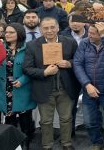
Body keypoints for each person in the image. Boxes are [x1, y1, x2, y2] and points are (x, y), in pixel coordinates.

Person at [23, 17, 80, 150]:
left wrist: (69, 63)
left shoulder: (70, 42)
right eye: (46, 28)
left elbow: (77, 61)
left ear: (58, 28)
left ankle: (66, 143)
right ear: (41, 29)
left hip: (65, 88)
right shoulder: (32, 45)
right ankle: (47, 145)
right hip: (44, 88)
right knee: (46, 120)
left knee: (66, 118)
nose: (49, 30)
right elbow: (27, 68)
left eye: (52, 27)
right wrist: (44, 72)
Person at [73, 22, 104, 150]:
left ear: (102, 34)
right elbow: (77, 64)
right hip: (89, 90)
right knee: (90, 121)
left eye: (93, 34)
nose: (89, 35)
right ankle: (97, 142)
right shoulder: (84, 43)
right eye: (89, 32)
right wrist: (87, 84)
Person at [0, 23, 36, 150]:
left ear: (19, 33)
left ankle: (26, 144)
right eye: (6, 32)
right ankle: (12, 145)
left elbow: (33, 68)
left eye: (11, 32)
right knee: (9, 120)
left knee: (25, 121)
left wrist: (23, 80)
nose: (7, 34)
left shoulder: (28, 48)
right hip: (4, 89)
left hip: (22, 89)